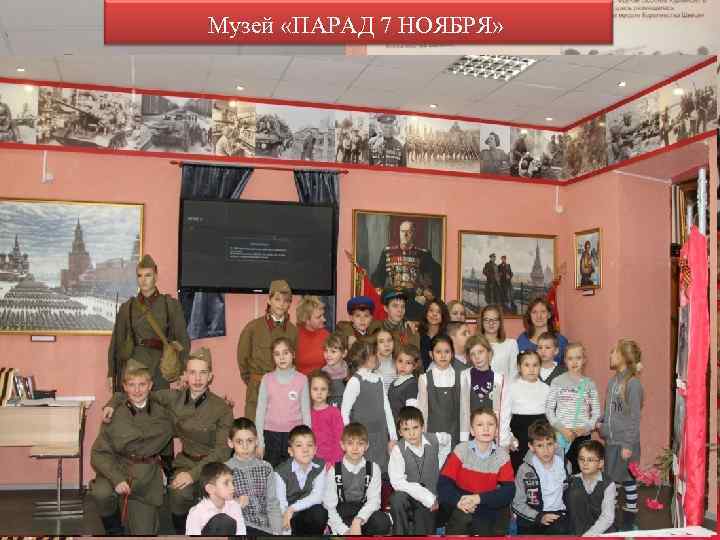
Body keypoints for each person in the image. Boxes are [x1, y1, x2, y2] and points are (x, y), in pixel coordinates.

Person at [101, 347, 233, 533]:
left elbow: (222, 451)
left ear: (210, 376)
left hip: (214, 465)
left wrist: (192, 475)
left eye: (203, 373)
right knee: (178, 494)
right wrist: (112, 403)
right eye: (192, 372)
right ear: (185, 375)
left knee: (221, 503)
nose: (197, 378)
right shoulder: (173, 398)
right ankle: (183, 532)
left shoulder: (221, 407)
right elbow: (138, 392)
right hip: (186, 461)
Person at [89, 363, 174, 535]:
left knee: (144, 533)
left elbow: (186, 403)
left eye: (142, 384)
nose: (137, 390)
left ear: (150, 385)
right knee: (102, 493)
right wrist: (117, 479)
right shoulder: (113, 414)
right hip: (117, 467)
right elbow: (98, 454)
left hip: (145, 478)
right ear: (125, 387)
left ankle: (131, 509)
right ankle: (113, 528)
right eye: (132, 385)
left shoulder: (163, 412)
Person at [107, 254, 190, 391]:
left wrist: (181, 371)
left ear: (156, 277)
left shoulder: (170, 305)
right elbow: (116, 343)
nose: (143, 280)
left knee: (160, 404)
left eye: (148, 275)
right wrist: (112, 373)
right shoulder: (127, 307)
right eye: (140, 276)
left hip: (161, 368)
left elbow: (183, 340)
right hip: (134, 367)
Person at [438, 408, 515, 536]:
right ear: (472, 431)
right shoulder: (461, 450)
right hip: (461, 505)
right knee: (461, 519)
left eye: (490, 424)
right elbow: (443, 484)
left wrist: (478, 498)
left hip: (486, 506)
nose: (486, 429)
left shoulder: (502, 456)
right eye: (480, 425)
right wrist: (458, 501)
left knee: (489, 523)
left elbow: (509, 491)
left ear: (496, 430)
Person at [597, 339, 644, 531]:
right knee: (613, 478)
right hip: (612, 440)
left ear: (624, 357)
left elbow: (634, 418)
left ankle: (630, 515)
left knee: (627, 479)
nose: (610, 355)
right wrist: (601, 421)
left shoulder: (633, 384)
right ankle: (612, 513)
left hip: (625, 442)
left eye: (614, 352)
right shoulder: (613, 381)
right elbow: (611, 410)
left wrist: (628, 445)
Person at [237, 279, 298, 421]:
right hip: (258, 390)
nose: (281, 304)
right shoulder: (253, 328)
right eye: (277, 299)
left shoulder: (293, 331)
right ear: (269, 300)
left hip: (283, 390)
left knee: (281, 428)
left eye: (286, 301)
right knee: (255, 429)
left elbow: (295, 361)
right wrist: (254, 382)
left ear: (289, 304)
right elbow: (242, 359)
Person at [388, 406, 452, 534]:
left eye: (415, 427)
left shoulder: (435, 439)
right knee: (397, 499)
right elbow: (397, 482)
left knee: (422, 531)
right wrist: (427, 497)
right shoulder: (398, 450)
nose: (411, 433)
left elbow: (448, 439)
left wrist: (439, 461)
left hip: (431, 498)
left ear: (422, 427)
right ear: (400, 432)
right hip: (410, 497)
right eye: (406, 429)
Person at [323, 422, 392, 535]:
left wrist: (358, 520)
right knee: (332, 518)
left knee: (382, 521)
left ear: (366, 446)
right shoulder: (334, 470)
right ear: (342, 445)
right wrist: (344, 530)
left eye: (360, 443)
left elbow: (374, 501)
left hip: (363, 511)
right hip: (342, 513)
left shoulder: (373, 468)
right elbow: (329, 507)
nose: (355, 448)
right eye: (350, 443)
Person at [341, 341, 398, 473]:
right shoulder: (355, 381)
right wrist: (351, 438)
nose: (375, 356)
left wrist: (393, 436)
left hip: (381, 436)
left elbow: (386, 408)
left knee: (380, 472)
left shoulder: (379, 379)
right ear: (362, 358)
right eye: (372, 354)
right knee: (364, 472)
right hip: (363, 438)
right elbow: (344, 412)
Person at [255, 337, 311, 467]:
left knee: (292, 471)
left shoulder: (302, 379)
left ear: (293, 354)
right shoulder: (267, 379)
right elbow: (260, 412)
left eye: (286, 353)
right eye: (277, 354)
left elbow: (306, 413)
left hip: (294, 435)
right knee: (272, 472)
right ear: (273, 357)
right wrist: (260, 442)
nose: (282, 358)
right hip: (270, 435)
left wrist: (307, 441)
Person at [545, 343, 601, 474]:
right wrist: (562, 429)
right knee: (560, 471)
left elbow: (596, 413)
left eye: (578, 358)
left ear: (584, 360)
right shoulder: (557, 381)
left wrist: (585, 429)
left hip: (582, 436)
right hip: (561, 436)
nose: (574, 362)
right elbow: (549, 409)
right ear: (565, 360)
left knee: (581, 472)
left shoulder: (590, 384)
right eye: (570, 358)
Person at [371, 220, 442, 321]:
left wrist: (427, 293)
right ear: (399, 232)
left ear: (414, 233)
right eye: (402, 231)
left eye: (408, 232)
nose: (405, 235)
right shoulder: (388, 252)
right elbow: (378, 275)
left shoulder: (423, 254)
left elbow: (436, 274)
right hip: (393, 299)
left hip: (414, 301)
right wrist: (379, 290)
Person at [225, 417, 283, 535]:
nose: (245, 446)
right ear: (230, 443)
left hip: (266, 528)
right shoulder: (225, 470)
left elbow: (272, 504)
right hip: (242, 527)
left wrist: (277, 532)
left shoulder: (266, 468)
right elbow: (221, 506)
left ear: (257, 441)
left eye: (250, 441)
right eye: (239, 441)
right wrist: (236, 503)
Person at [512, 420, 569, 535]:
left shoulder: (565, 464)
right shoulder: (524, 470)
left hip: (557, 516)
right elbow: (517, 503)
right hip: (531, 517)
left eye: (549, 444)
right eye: (540, 445)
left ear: (556, 444)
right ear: (531, 447)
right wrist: (538, 516)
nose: (546, 450)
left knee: (561, 530)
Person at [273, 424, 328, 534]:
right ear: (290, 451)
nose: (305, 450)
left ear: (315, 449)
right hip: (288, 518)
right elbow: (281, 506)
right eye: (299, 445)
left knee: (319, 512)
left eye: (309, 445)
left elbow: (317, 496)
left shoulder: (320, 466)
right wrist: (286, 529)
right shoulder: (280, 472)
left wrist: (292, 508)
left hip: (305, 513)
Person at [460, 335, 511, 449]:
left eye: (480, 352)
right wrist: (463, 441)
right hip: (470, 438)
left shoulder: (500, 380)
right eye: (473, 354)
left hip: (493, 439)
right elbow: (462, 412)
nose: (477, 357)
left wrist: (504, 442)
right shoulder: (464, 377)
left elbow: (505, 414)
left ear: (489, 353)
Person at [417, 335, 465, 447]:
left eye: (447, 351)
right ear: (431, 354)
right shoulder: (424, 379)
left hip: (456, 435)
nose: (443, 356)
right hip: (432, 436)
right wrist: (422, 436)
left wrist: (464, 438)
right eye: (438, 352)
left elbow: (464, 411)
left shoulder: (461, 377)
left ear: (452, 353)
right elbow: (422, 411)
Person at [508, 351, 550, 472]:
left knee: (540, 469)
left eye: (535, 365)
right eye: (527, 365)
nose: (531, 369)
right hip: (518, 434)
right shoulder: (512, 388)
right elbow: (505, 416)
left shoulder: (546, 389)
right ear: (519, 367)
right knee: (519, 469)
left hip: (541, 434)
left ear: (540, 367)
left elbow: (551, 415)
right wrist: (509, 437)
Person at [567, 440, 616, 535]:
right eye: (581, 459)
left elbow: (608, 517)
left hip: (602, 531)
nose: (585, 463)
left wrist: (589, 535)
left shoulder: (608, 484)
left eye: (590, 460)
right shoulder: (572, 481)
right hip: (578, 531)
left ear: (600, 463)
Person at [186, 462, 247, 535]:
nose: (232, 487)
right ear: (210, 489)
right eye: (226, 483)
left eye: (232, 482)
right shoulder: (197, 512)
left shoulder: (234, 506)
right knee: (222, 520)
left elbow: (241, 532)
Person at [517, 297, 568, 365]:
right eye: (534, 312)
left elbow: (567, 367)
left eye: (543, 312)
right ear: (530, 315)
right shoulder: (522, 340)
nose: (539, 316)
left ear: (549, 315)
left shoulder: (561, 341)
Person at [309, 370, 344, 465]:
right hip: (310, 462)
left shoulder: (334, 413)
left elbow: (339, 439)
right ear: (309, 390)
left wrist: (334, 462)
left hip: (331, 461)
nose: (319, 392)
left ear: (329, 392)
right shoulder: (306, 413)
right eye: (315, 389)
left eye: (323, 389)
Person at [479, 305, 519, 381]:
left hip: (505, 388)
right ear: (481, 322)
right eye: (487, 320)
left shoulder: (511, 344)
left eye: (495, 319)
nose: (491, 323)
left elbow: (514, 374)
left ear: (500, 322)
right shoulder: (475, 344)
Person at [295, 295, 329, 375]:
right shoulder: (294, 336)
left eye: (323, 315)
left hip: (322, 380)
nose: (324, 319)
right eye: (318, 317)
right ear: (306, 320)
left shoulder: (326, 335)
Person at [388, 344, 420, 426]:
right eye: (400, 361)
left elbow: (411, 412)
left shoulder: (412, 384)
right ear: (395, 361)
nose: (403, 366)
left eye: (408, 363)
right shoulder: (393, 383)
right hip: (392, 426)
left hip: (404, 427)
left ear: (415, 366)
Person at [418, 299, 450, 371]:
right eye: (431, 310)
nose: (434, 314)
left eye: (438, 312)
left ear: (443, 316)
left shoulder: (447, 339)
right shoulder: (418, 336)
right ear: (426, 313)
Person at [321, 331, 349, 408]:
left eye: (333, 351)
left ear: (344, 353)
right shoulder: (322, 374)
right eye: (326, 350)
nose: (328, 355)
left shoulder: (350, 371)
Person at [375, 328, 397, 394]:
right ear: (375, 345)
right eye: (381, 341)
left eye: (389, 340)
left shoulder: (399, 362)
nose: (387, 345)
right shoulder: (369, 366)